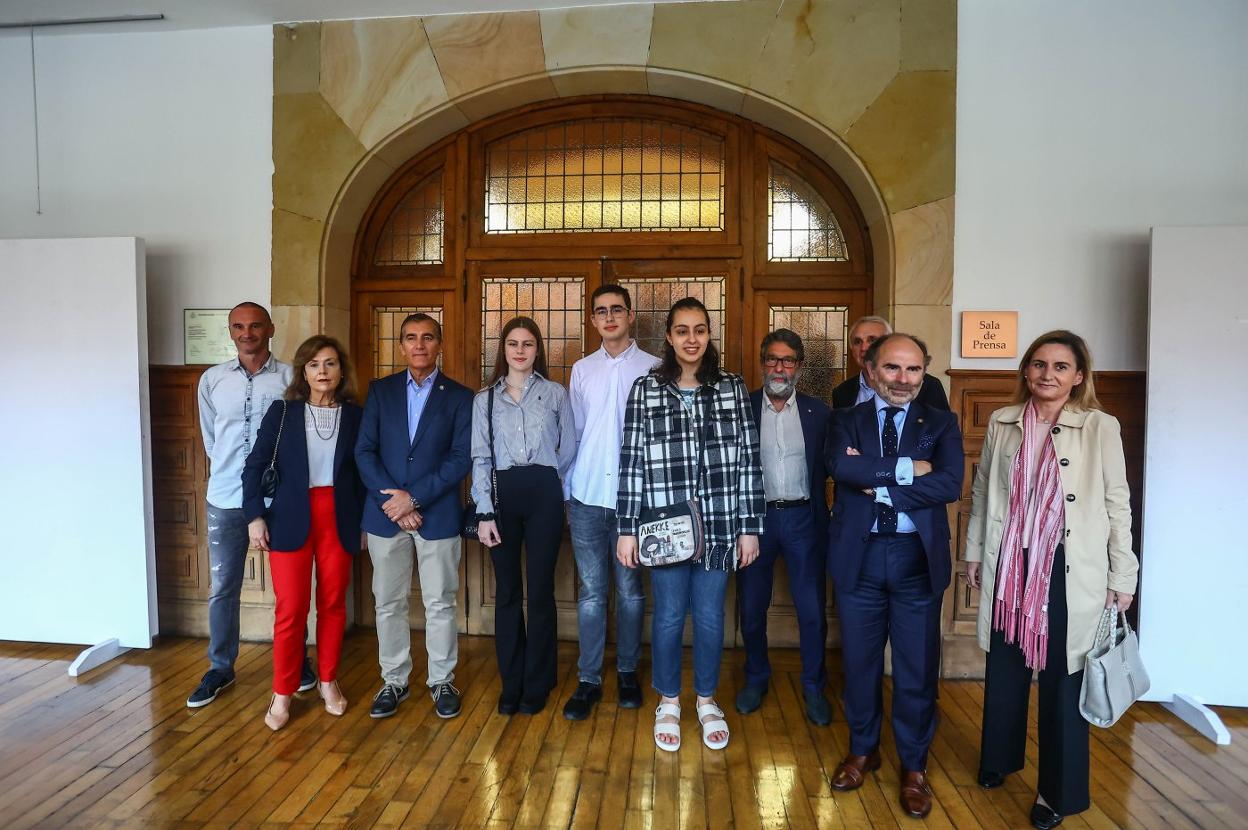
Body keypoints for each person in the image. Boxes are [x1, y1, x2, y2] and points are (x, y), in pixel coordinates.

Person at [964, 330, 1137, 830]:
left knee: (1064, 680)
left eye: (1061, 366)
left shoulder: (1100, 426)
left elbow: (1117, 504)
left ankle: (1057, 792)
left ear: (1078, 376)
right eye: (1039, 364)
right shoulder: (1003, 421)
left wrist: (1123, 573)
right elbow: (983, 492)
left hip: (1069, 568)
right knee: (1005, 667)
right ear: (1026, 370)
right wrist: (973, 552)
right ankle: (999, 758)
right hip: (1009, 563)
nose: (1048, 374)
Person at [824, 332, 963, 818]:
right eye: (892, 368)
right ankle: (863, 751)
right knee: (860, 664)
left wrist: (879, 481)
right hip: (859, 558)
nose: (903, 379)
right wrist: (911, 469)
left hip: (915, 560)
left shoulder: (941, 422)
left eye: (914, 369)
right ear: (870, 370)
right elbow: (842, 468)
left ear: (924, 373)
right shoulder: (845, 419)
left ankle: (914, 765)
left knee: (916, 669)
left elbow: (949, 483)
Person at [616, 297, 765, 752]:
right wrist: (627, 528)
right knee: (667, 617)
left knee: (710, 616)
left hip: (720, 523)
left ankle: (705, 699)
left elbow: (749, 461)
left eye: (699, 330)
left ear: (708, 334)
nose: (691, 339)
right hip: (665, 528)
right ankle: (668, 700)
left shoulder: (731, 387)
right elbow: (631, 462)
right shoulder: (646, 388)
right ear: (669, 337)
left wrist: (750, 526)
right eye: (682, 331)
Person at [188, 302, 311, 708]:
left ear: (270, 329)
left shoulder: (292, 378)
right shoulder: (212, 380)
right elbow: (212, 439)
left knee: (289, 590)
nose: (247, 333)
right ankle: (220, 667)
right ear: (230, 332)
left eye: (255, 326)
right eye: (238, 327)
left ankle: (297, 663)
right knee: (223, 587)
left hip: (278, 499)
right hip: (225, 498)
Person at [242, 335, 365, 730]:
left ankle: (328, 680)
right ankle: (283, 691)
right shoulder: (283, 413)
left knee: (333, 604)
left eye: (330, 363)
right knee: (291, 609)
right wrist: (254, 516)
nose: (322, 371)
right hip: (289, 517)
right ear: (303, 372)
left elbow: (364, 474)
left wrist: (364, 523)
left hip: (339, 518)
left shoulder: (356, 416)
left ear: (341, 370)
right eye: (314, 365)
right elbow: (254, 466)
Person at [355, 313, 473, 720]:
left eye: (427, 337)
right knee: (388, 602)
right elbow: (364, 451)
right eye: (410, 338)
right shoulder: (381, 391)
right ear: (401, 346)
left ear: (439, 344)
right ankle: (394, 680)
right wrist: (394, 502)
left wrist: (414, 499)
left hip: (436, 515)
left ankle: (442, 680)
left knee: (440, 601)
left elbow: (460, 458)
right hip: (386, 516)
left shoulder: (460, 396)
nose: (419, 345)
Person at [473, 317, 577, 716]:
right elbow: (481, 457)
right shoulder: (484, 400)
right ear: (503, 349)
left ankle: (537, 681)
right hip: (501, 496)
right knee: (507, 592)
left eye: (528, 343)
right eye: (513, 343)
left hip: (544, 495)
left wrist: (550, 482)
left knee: (540, 591)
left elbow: (568, 447)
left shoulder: (555, 393)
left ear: (538, 350)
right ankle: (511, 681)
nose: (520, 350)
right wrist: (484, 511)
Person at [562, 285, 657, 720]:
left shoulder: (653, 367)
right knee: (591, 593)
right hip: (586, 496)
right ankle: (588, 679)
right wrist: (567, 490)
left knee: (631, 591)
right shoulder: (582, 370)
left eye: (617, 309)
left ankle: (628, 672)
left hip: (633, 500)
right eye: (601, 311)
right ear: (593, 320)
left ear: (630, 315)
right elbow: (576, 434)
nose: (610, 317)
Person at [735, 329, 832, 725]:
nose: (779, 367)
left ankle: (813, 686)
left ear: (799, 366)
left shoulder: (819, 413)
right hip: (755, 520)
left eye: (787, 360)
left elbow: (835, 467)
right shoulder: (742, 407)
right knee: (751, 607)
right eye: (772, 359)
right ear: (762, 363)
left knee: (811, 610)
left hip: (804, 519)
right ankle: (756, 677)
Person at [831, 316, 949, 410]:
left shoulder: (928, 386)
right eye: (857, 342)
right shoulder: (842, 392)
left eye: (872, 340)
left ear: (890, 344)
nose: (864, 348)